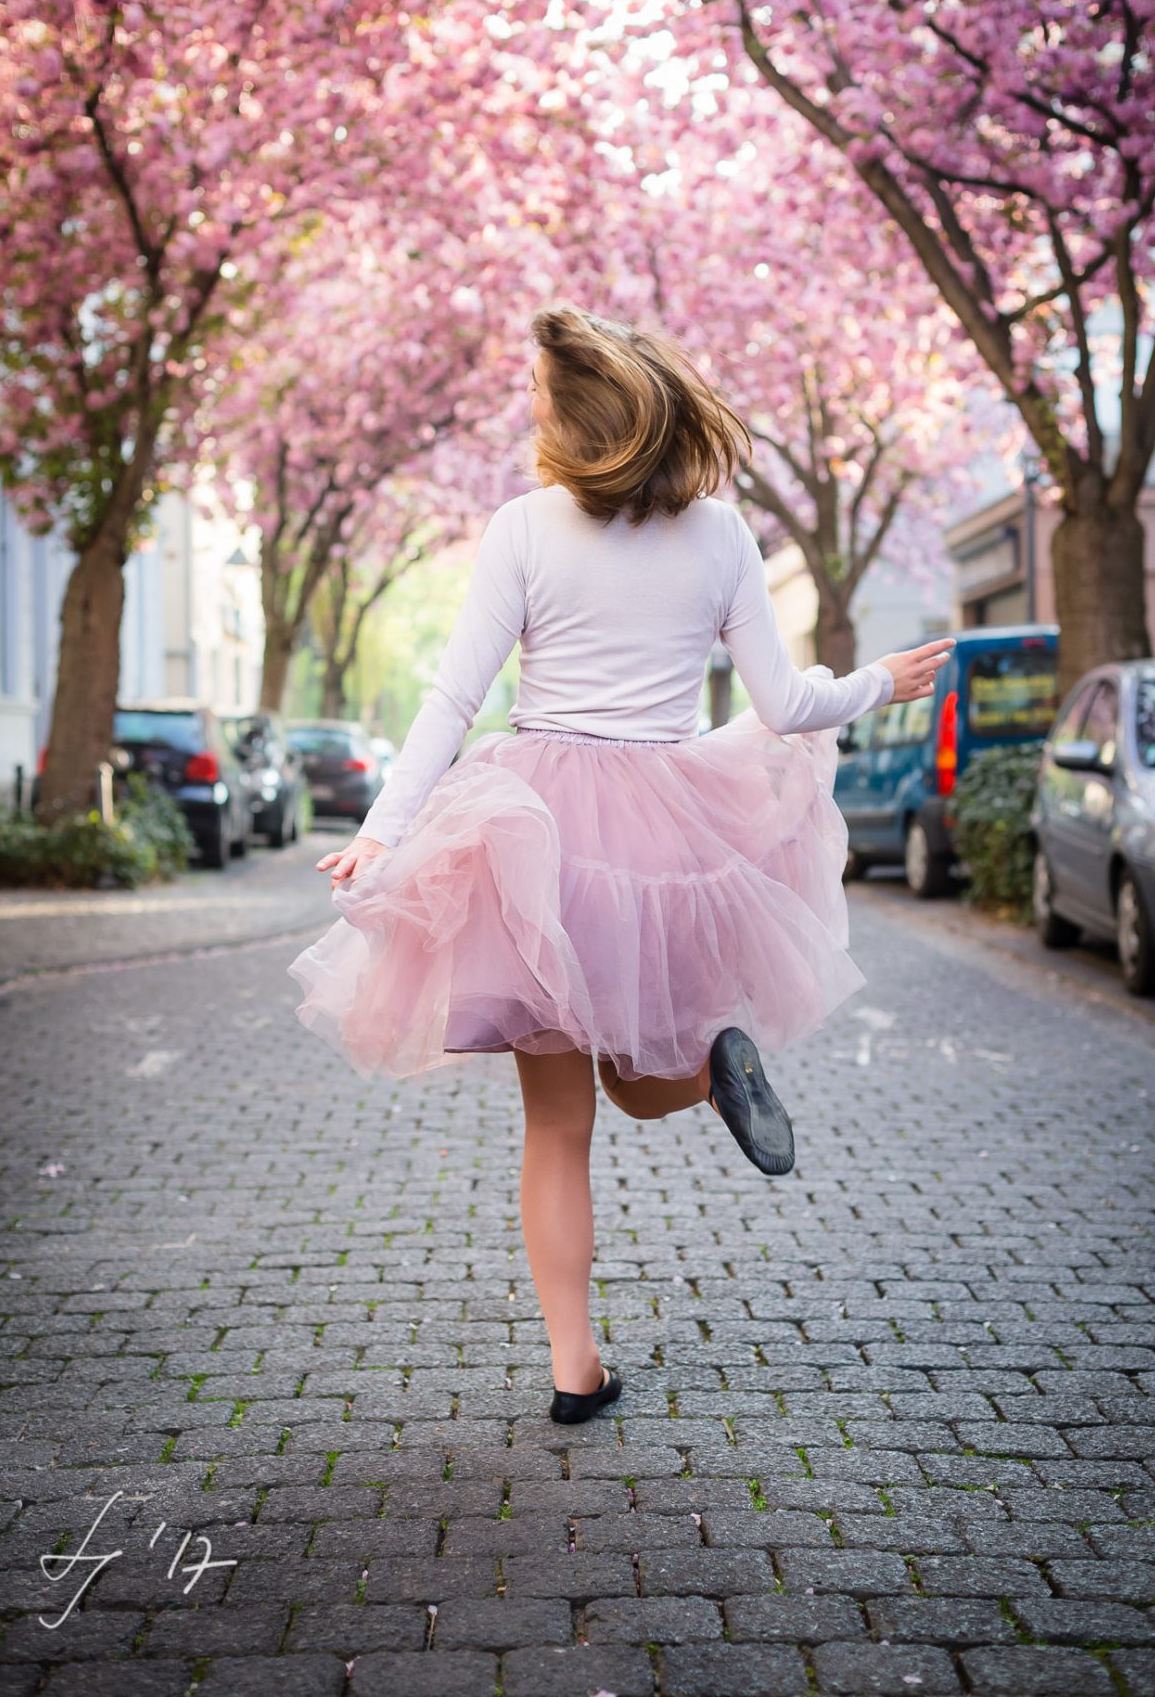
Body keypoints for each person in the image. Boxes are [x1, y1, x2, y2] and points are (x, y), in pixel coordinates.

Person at [288, 305, 951, 1425]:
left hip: (538, 825)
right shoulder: (722, 534)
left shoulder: (524, 528)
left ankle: (573, 1369)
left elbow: (453, 701)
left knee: (557, 1122)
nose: (532, 410)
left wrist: (385, 833)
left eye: (540, 396)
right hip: (657, 819)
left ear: (574, 417)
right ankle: (713, 1065)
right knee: (644, 1083)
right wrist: (878, 682)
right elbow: (783, 707)